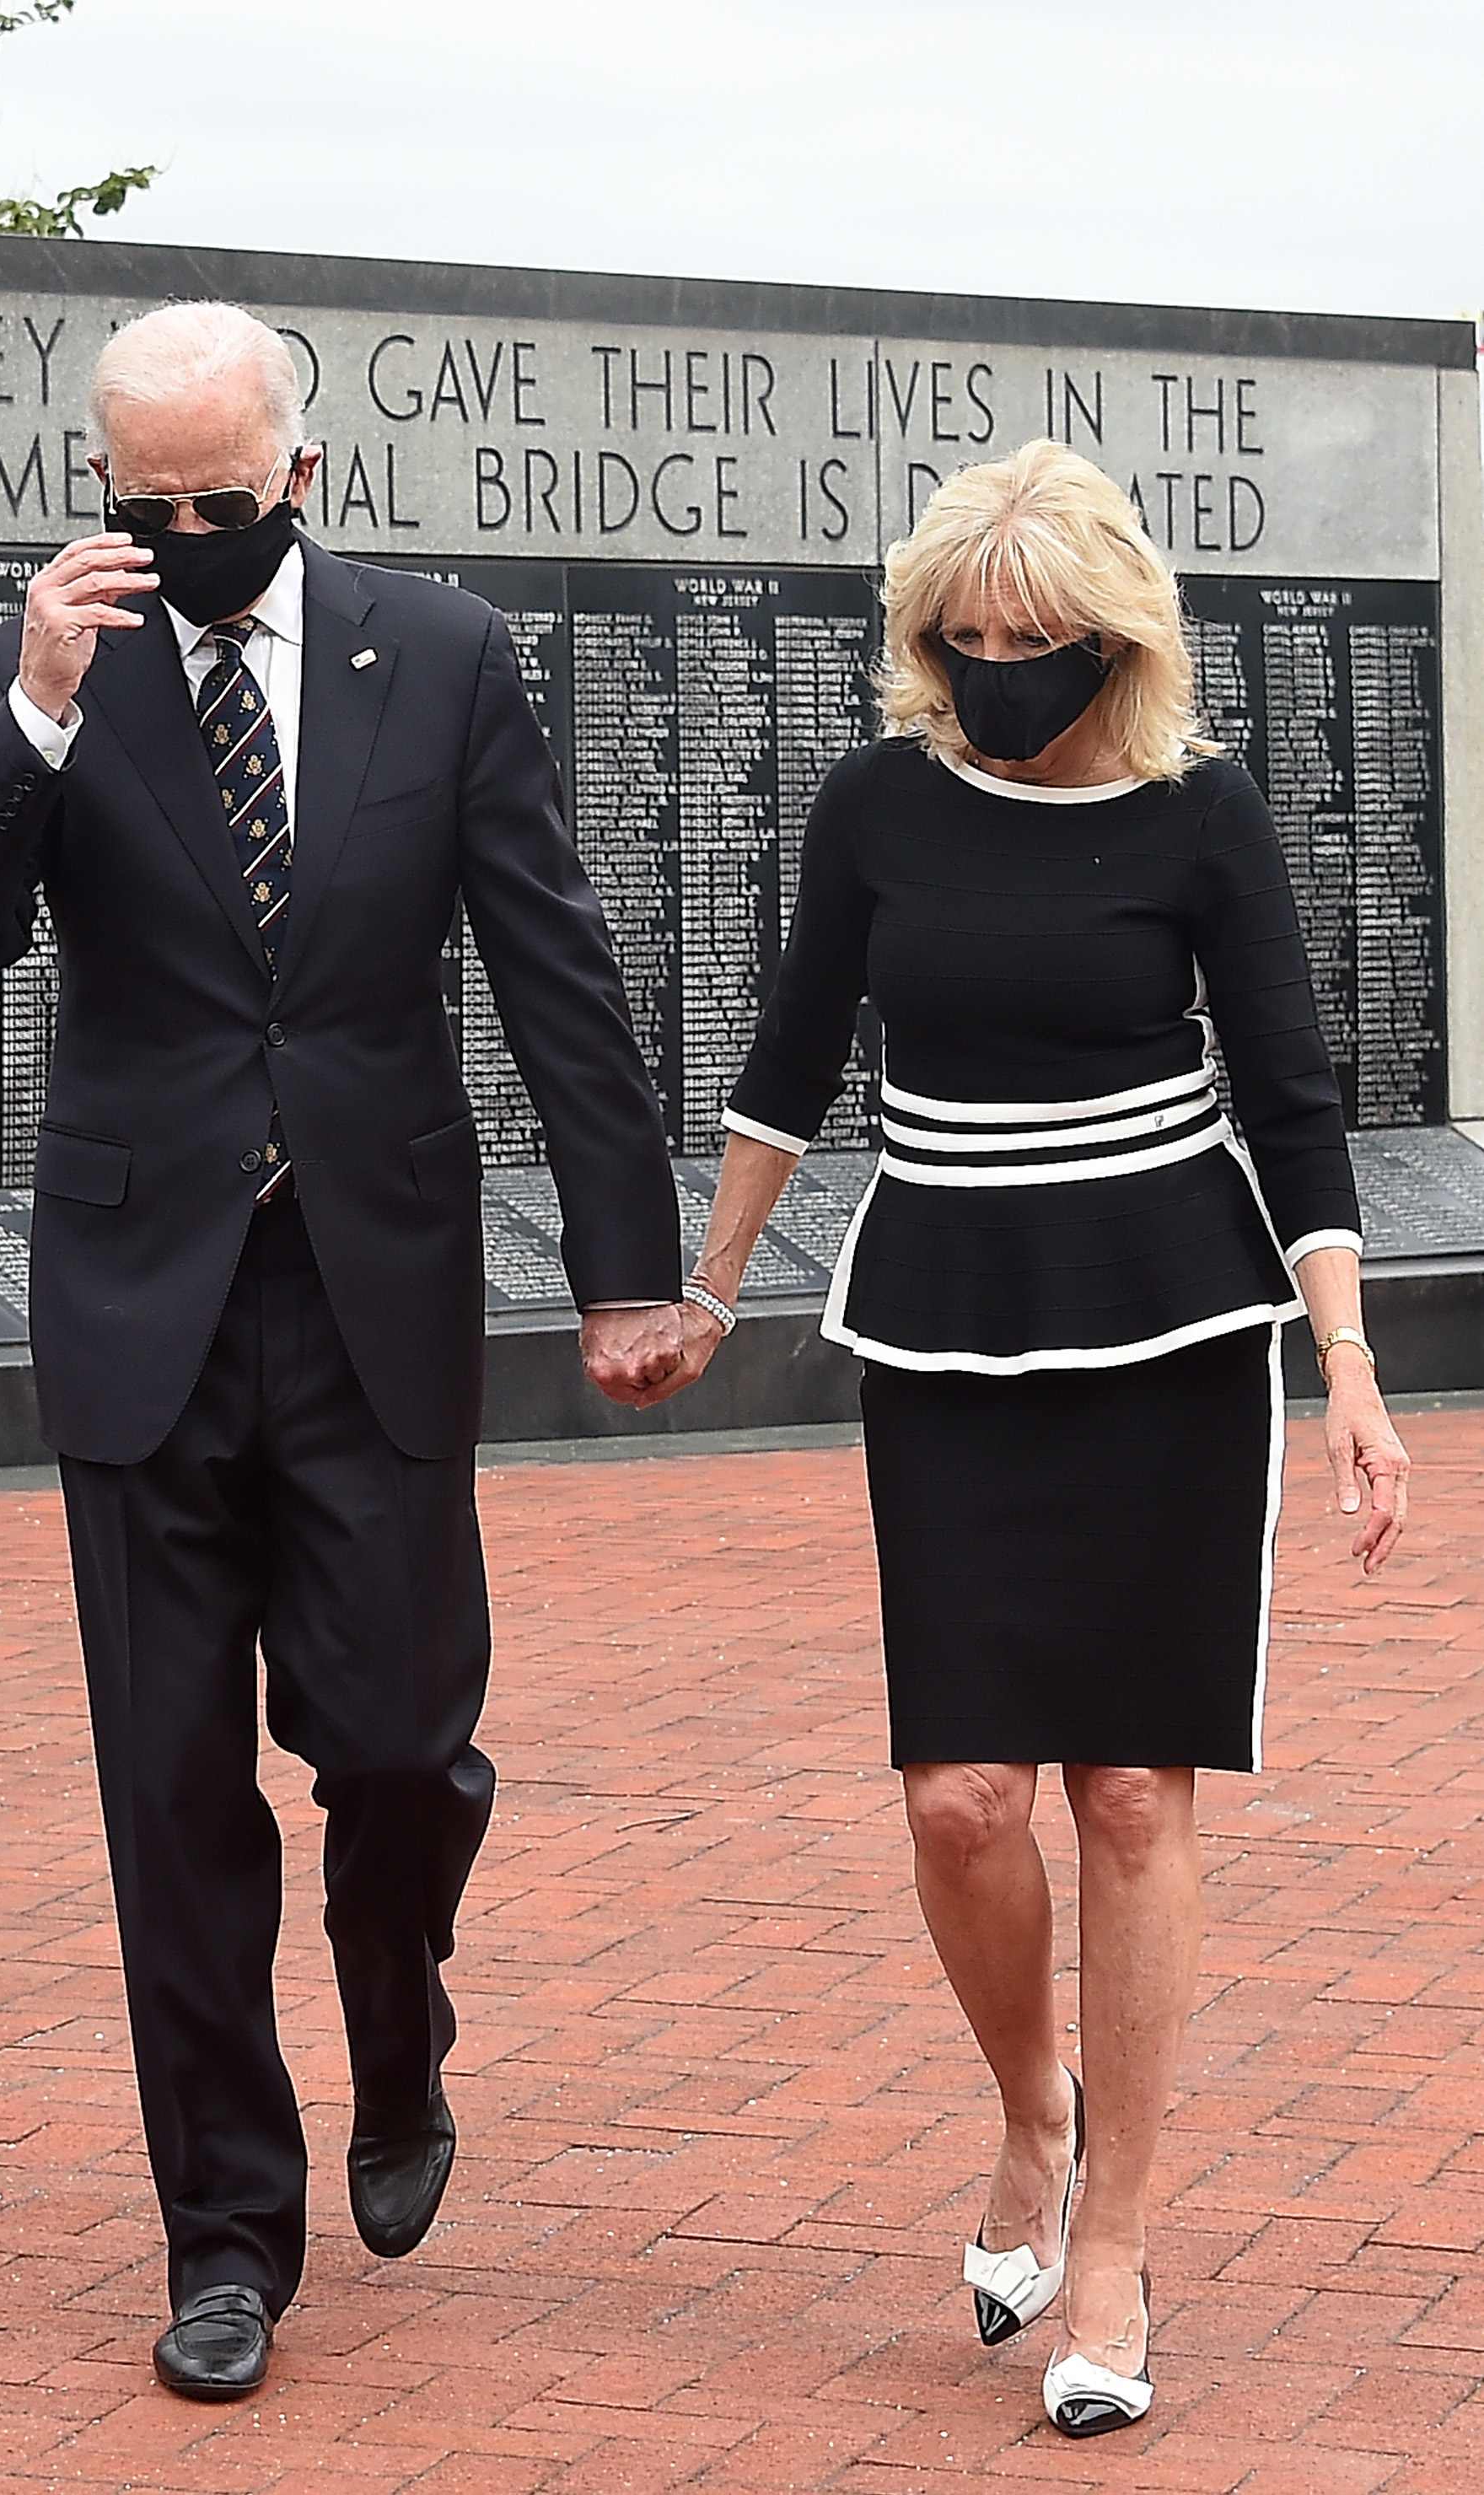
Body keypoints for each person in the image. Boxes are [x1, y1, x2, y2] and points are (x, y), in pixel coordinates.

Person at [0, 300, 691, 2402]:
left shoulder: (439, 654)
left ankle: (398, 2024)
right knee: (171, 1797)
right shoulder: (50, 658)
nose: (181, 536)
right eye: (141, 504)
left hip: (371, 1295)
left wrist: (626, 1267)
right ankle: (226, 2234)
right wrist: (38, 714)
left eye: (219, 503)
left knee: (401, 1749)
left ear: (302, 477)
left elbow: (556, 970)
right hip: (143, 1309)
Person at [660, 439, 1412, 2439]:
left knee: (1135, 1799)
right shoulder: (877, 806)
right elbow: (789, 1062)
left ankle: (1118, 2239)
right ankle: (1028, 2107)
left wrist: (1347, 1364)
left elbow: (1296, 1093)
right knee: (963, 1800)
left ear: (1113, 640)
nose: (995, 669)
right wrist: (708, 1293)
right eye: (962, 638)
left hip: (1173, 1326)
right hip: (945, 1333)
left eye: (1033, 639)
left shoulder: (1199, 812)